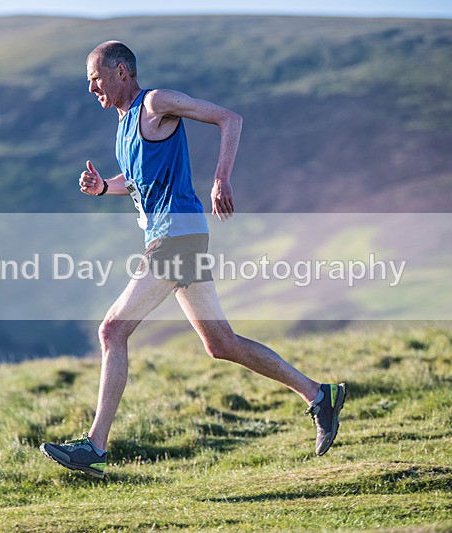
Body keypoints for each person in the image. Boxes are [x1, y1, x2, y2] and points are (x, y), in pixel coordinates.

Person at [40, 41, 345, 479]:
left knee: (111, 330)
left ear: (122, 71)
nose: (92, 89)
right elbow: (139, 179)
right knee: (221, 345)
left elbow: (229, 118)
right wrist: (104, 187)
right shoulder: (124, 124)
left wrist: (220, 179)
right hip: (175, 238)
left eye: (96, 78)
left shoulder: (155, 102)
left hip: (175, 238)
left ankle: (95, 446)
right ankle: (319, 395)